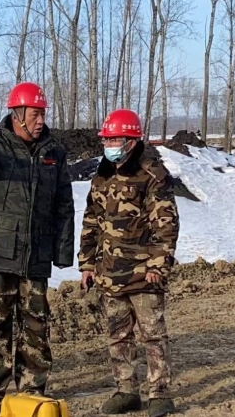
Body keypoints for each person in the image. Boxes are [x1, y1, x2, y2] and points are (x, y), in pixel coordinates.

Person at [0, 81, 75, 417]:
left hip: (37, 253)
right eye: (34, 114)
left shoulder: (54, 152)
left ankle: (32, 390)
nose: (40, 120)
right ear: (17, 114)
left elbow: (64, 204)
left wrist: (63, 252)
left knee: (36, 324)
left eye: (43, 114)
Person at [78, 109, 179, 417]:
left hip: (144, 274)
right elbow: (91, 221)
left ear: (132, 141)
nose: (109, 145)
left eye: (115, 140)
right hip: (109, 273)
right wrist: (87, 264)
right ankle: (126, 391)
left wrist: (158, 265)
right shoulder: (102, 175)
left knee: (152, 335)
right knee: (118, 336)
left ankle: (159, 394)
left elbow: (166, 224)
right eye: (106, 140)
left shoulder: (152, 175)